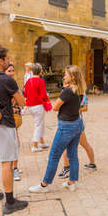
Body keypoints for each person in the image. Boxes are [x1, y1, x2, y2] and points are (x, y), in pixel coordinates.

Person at [0, 45, 28, 214]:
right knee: (7, 162)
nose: (9, 61)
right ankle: (10, 202)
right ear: (1, 61)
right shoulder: (6, 79)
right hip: (5, 124)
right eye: (7, 59)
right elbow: (22, 102)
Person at [29, 65, 86, 193]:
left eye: (66, 74)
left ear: (72, 77)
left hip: (66, 126)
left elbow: (55, 107)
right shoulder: (79, 89)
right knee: (73, 154)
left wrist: (61, 94)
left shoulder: (67, 91)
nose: (64, 76)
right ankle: (72, 182)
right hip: (77, 123)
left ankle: (44, 184)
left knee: (54, 155)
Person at [58, 92, 96, 179]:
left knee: (66, 146)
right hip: (78, 122)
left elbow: (85, 108)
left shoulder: (75, 93)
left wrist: (72, 110)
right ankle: (92, 163)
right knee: (84, 144)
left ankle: (67, 168)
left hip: (74, 121)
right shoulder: (76, 93)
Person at [5, 63, 26, 181]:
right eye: (9, 71)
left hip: (14, 118)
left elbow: (21, 101)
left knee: (16, 144)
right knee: (12, 145)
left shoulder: (13, 84)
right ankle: (13, 169)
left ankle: (14, 167)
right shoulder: (3, 85)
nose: (12, 73)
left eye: (13, 70)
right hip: (6, 119)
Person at [24, 63, 50, 152]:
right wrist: (47, 99)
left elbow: (25, 94)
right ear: (40, 71)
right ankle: (35, 145)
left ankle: (42, 142)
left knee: (41, 123)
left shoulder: (28, 81)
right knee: (38, 125)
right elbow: (43, 94)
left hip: (30, 105)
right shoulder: (40, 81)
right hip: (38, 105)